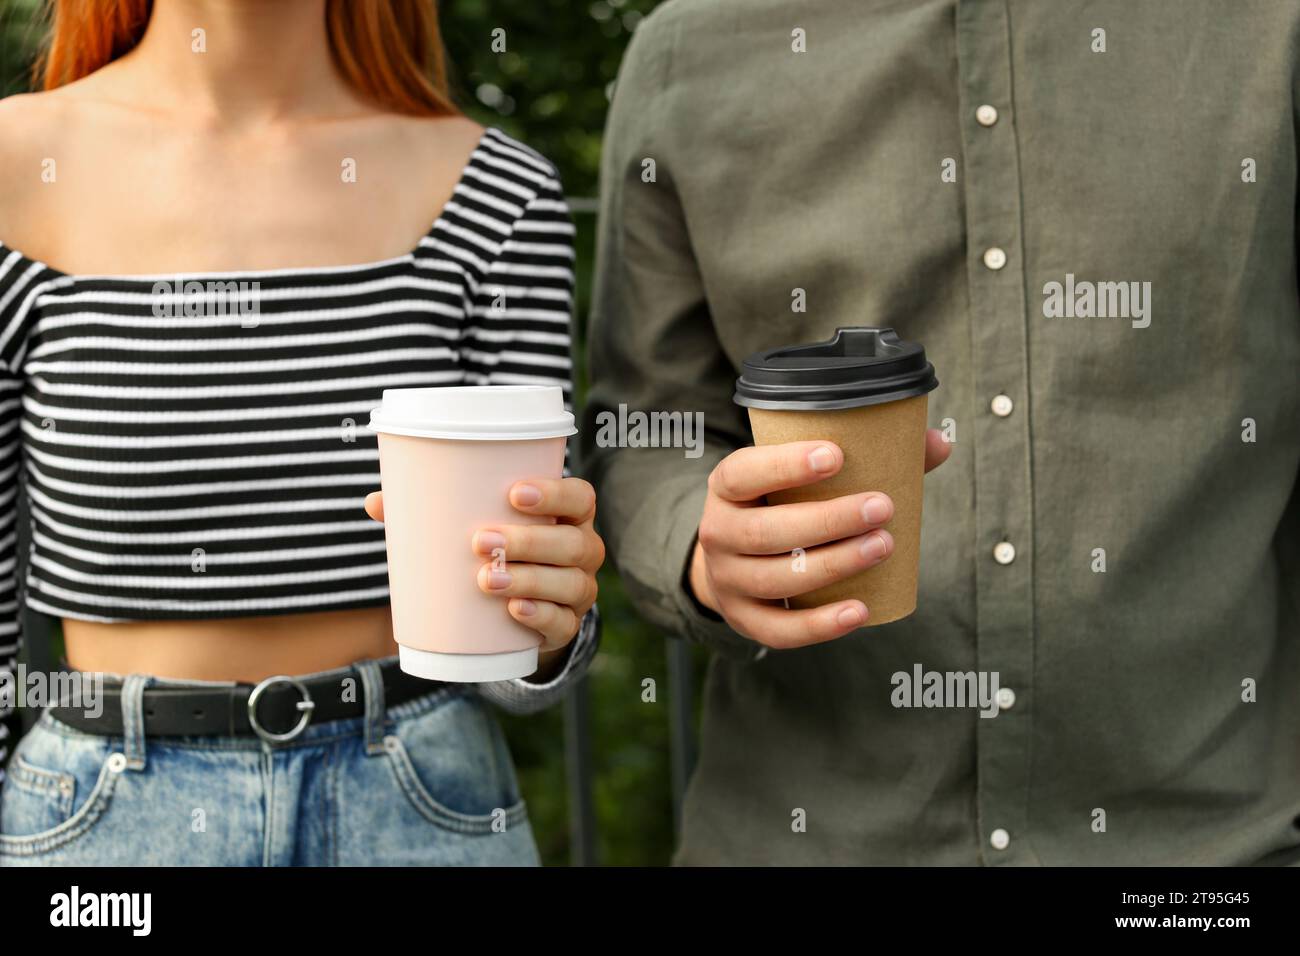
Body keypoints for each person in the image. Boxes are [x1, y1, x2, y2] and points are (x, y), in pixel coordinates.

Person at [584, 0, 1300, 865]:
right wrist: (702, 546)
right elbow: (648, 421)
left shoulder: (1267, 27)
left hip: (1203, 867)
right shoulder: (687, 51)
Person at [0, 0, 602, 866]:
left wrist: (546, 626)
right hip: (107, 826)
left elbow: (529, 641)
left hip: (419, 803)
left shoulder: (501, 197)